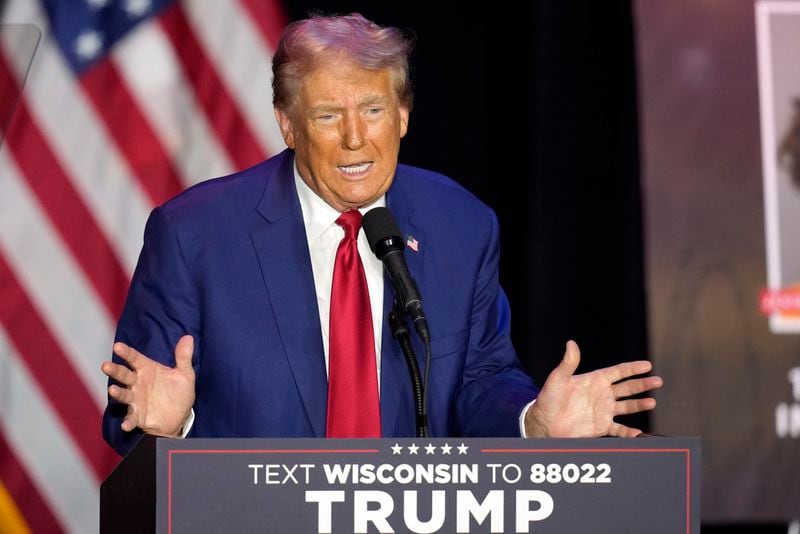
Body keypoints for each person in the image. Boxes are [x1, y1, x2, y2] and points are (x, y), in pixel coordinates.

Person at [101, 13, 662, 457]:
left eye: (372, 109)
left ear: (403, 116)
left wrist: (530, 422)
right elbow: (136, 412)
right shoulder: (193, 233)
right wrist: (172, 427)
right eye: (326, 116)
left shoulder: (461, 225)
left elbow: (480, 377)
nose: (354, 139)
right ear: (287, 124)